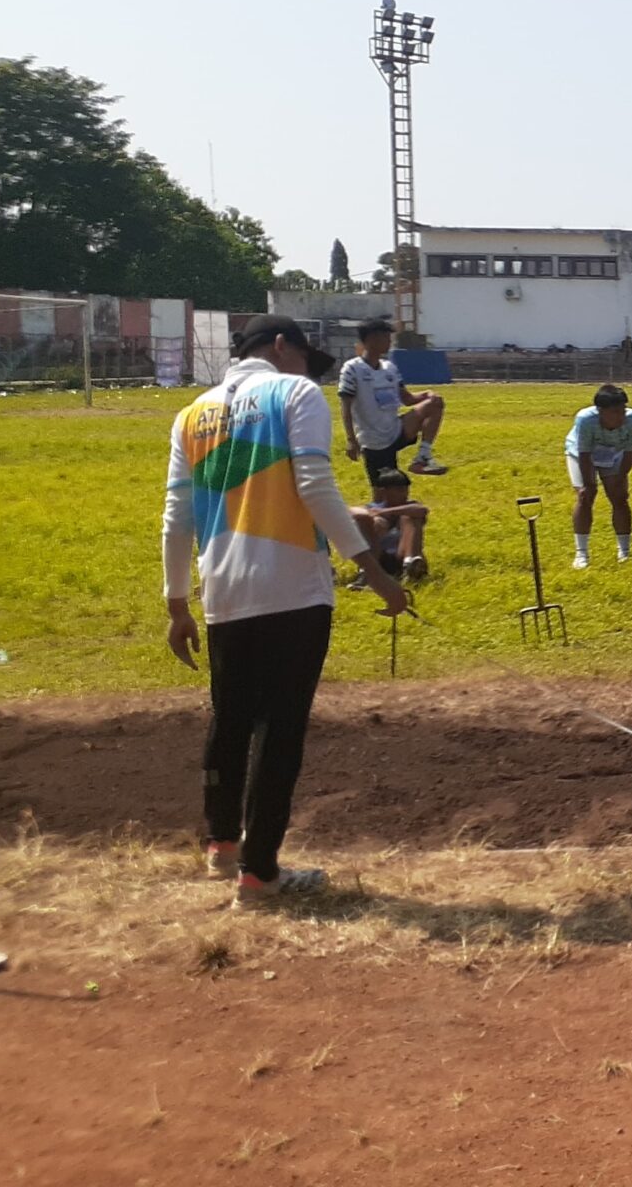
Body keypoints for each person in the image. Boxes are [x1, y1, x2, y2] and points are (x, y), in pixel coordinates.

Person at [161, 315, 408, 907]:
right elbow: (316, 485)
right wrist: (372, 570)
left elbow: (177, 516)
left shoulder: (191, 414)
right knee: (279, 733)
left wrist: (177, 604)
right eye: (302, 356)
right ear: (279, 347)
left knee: (231, 719)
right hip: (292, 589)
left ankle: (223, 845)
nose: (306, 369)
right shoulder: (296, 393)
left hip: (222, 590)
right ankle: (260, 872)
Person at [337, 319, 448, 482]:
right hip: (374, 440)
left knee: (435, 402)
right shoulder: (352, 368)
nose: (390, 342)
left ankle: (422, 458)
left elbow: (407, 399)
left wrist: (427, 395)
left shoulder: (390, 367)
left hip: (397, 430)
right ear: (371, 340)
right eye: (386, 338)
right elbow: (345, 406)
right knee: (385, 492)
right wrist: (351, 440)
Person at [566, 383, 632, 569]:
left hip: (613, 453)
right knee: (585, 496)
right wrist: (588, 483)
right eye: (615, 412)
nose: (621, 416)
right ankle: (581, 553)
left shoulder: (631, 418)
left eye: (623, 410)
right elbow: (584, 453)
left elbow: (631, 451)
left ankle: (624, 551)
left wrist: (620, 477)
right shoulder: (585, 419)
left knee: (619, 497)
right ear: (600, 411)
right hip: (582, 455)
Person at [349, 467, 430, 586]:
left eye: (406, 489)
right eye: (399, 490)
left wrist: (385, 512)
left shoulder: (410, 507)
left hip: (401, 555)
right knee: (367, 521)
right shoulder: (371, 508)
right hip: (380, 557)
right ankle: (367, 571)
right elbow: (351, 512)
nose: (405, 494)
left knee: (409, 517)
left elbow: (422, 510)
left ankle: (410, 562)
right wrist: (375, 520)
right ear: (383, 491)